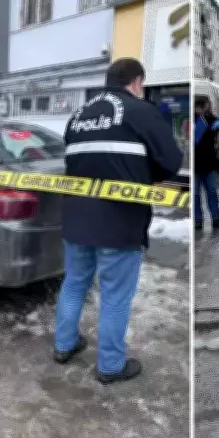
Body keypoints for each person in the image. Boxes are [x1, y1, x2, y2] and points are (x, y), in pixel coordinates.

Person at [54, 58, 183, 384]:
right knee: (115, 294)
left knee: (74, 283)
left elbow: (74, 160)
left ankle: (64, 344)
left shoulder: (79, 115)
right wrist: (143, 174)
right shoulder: (141, 112)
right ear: (137, 82)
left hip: (76, 217)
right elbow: (170, 162)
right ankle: (110, 366)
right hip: (119, 221)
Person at [193, 95, 219, 230]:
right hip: (195, 165)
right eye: (207, 105)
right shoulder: (192, 120)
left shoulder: (210, 119)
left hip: (208, 164)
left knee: (212, 193)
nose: (208, 107)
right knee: (195, 195)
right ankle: (198, 220)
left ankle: (216, 219)